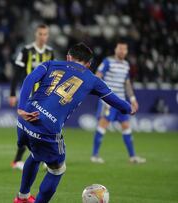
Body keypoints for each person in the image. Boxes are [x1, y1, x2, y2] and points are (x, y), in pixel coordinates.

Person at [13, 43, 136, 203]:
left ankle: (22, 198)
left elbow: (29, 78)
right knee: (57, 169)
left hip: (25, 119)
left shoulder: (50, 64)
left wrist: (21, 108)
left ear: (68, 57)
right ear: (89, 64)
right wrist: (128, 108)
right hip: (47, 128)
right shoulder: (92, 79)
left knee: (35, 155)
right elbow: (117, 102)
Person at [90, 40, 146, 164]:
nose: (121, 51)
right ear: (115, 49)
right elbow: (97, 76)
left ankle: (132, 157)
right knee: (102, 125)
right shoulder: (107, 62)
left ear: (126, 51)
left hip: (121, 101)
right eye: (119, 48)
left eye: (124, 49)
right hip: (108, 101)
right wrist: (101, 92)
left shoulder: (126, 64)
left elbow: (127, 84)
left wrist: (132, 99)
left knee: (126, 126)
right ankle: (94, 155)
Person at [9, 24, 54, 170]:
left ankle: (43, 158)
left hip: (44, 97)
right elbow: (17, 73)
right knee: (27, 128)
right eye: (40, 34)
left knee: (44, 127)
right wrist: (12, 93)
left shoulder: (50, 53)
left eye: (45, 34)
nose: (43, 37)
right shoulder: (26, 50)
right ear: (36, 35)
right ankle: (18, 160)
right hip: (29, 96)